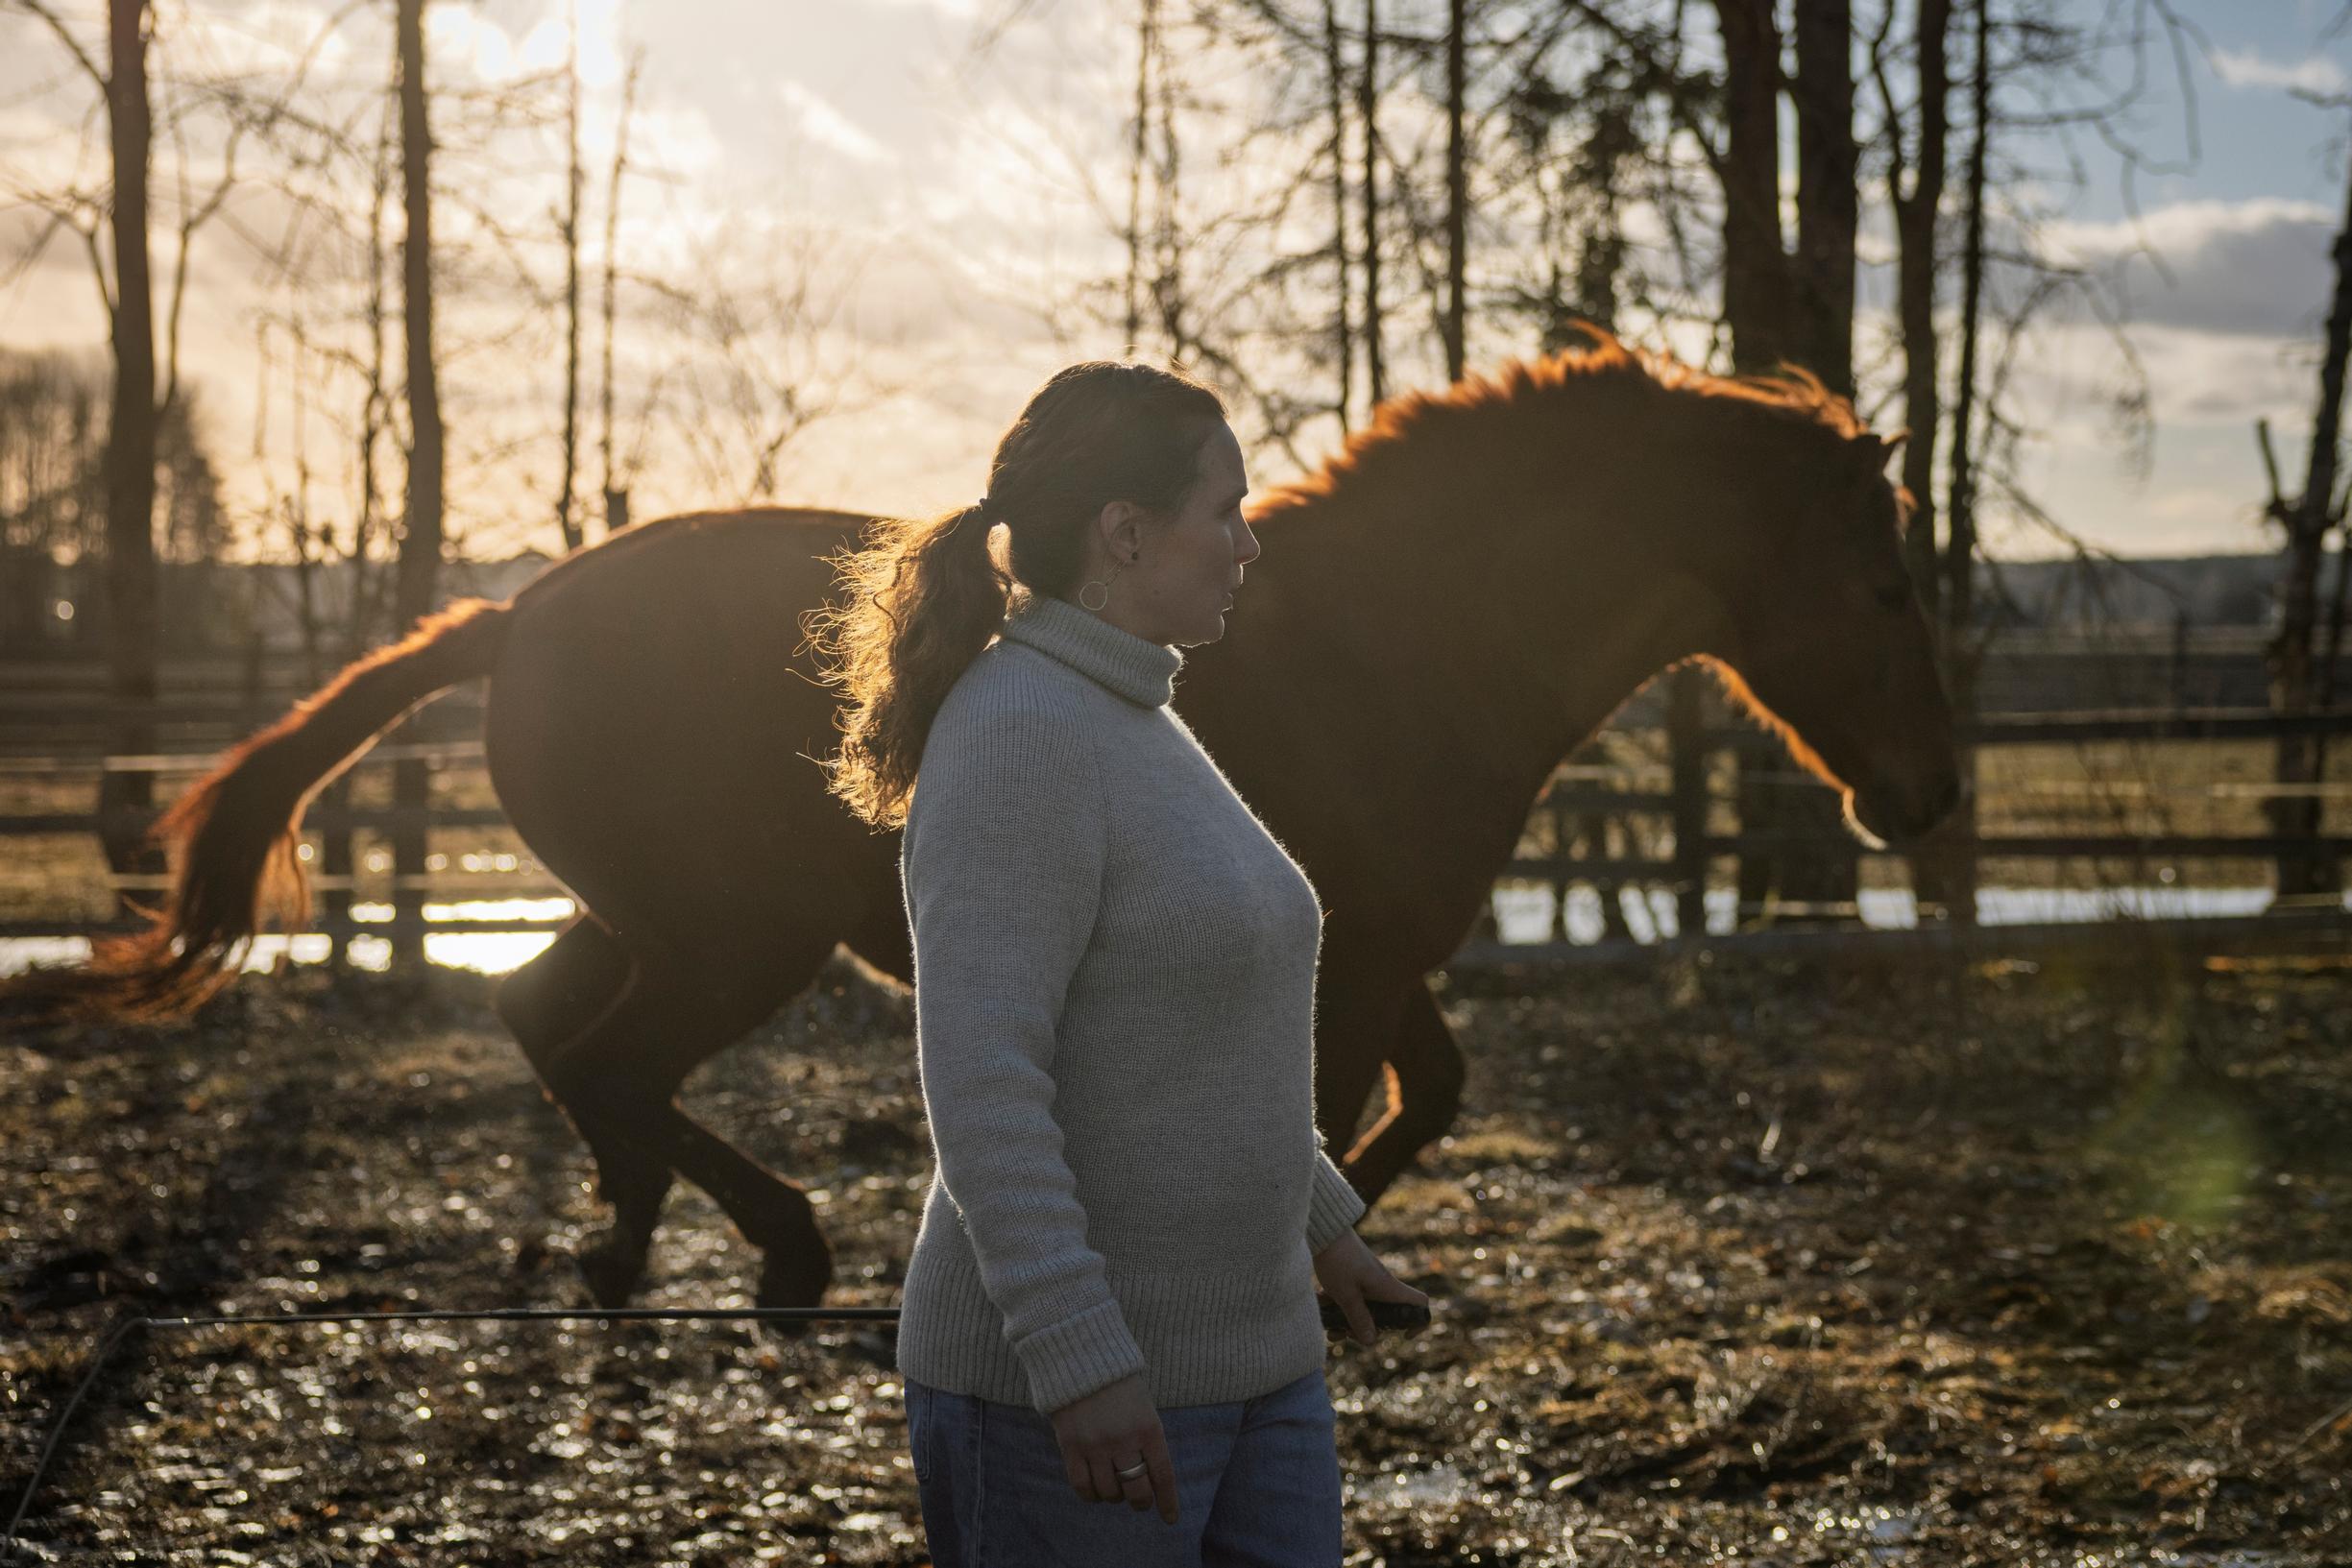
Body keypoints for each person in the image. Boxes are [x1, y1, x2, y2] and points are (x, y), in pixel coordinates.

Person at [812, 359, 1429, 1565]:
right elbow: (986, 1083)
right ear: (1126, 533)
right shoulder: (1019, 732)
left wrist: (1316, 1227)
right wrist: (1077, 1358)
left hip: (1261, 1370)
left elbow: (1189, 1030)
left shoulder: (1137, 717)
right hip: (1076, 1401)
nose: (1248, 545)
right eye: (1227, 511)